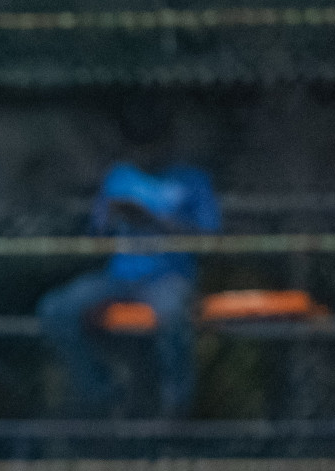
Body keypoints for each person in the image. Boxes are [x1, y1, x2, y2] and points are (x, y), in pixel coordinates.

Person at [36, 101, 221, 416]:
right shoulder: (119, 177)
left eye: (153, 145)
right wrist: (110, 220)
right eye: (138, 147)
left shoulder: (192, 180)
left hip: (168, 278)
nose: (146, 155)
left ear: (168, 140)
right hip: (120, 277)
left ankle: (177, 409)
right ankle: (101, 390)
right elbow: (97, 237)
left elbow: (210, 240)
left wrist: (155, 221)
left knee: (173, 316)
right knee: (55, 309)